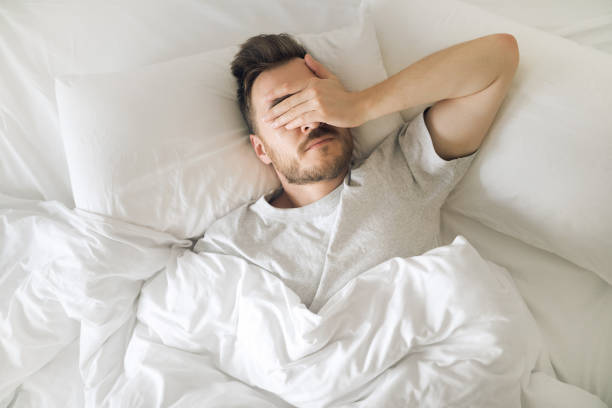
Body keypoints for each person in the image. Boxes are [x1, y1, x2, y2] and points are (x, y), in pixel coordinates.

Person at [194, 32, 519, 313]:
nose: (310, 119)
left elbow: (498, 57)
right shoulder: (231, 243)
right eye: (284, 111)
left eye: (314, 99)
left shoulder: (404, 172)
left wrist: (360, 105)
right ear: (261, 149)